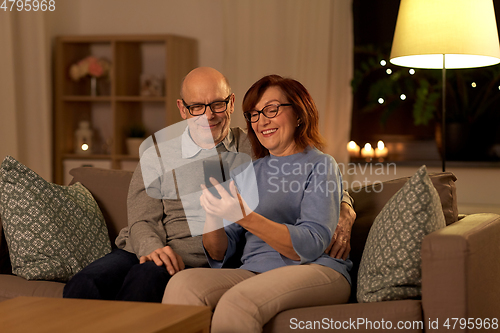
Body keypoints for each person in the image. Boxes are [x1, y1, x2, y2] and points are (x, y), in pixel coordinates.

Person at [63, 67, 355, 303]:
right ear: (182, 108)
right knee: (83, 285)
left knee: (145, 282)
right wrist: (152, 248)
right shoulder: (158, 152)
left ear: (230, 103)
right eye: (197, 107)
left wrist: (345, 208)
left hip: (198, 256)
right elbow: (141, 219)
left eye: (217, 103)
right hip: (144, 248)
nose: (209, 115)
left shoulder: (256, 142)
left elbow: (308, 167)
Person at [162, 74, 353, 332]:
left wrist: (245, 216)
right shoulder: (248, 172)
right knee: (181, 285)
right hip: (254, 271)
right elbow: (220, 252)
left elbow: (310, 243)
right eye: (254, 114)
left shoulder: (321, 165)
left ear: (299, 113)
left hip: (316, 269)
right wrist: (213, 215)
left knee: (238, 301)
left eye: (271, 110)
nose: (262, 121)